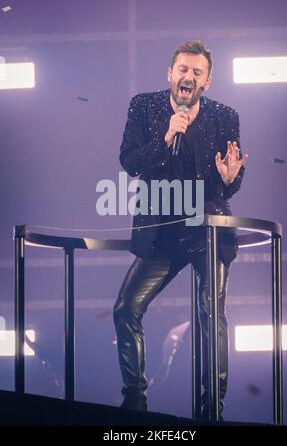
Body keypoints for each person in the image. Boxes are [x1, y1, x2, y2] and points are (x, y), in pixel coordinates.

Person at [113, 41, 248, 417]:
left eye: (197, 72)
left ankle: (211, 411)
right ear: (170, 74)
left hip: (207, 231)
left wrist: (231, 178)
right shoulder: (145, 107)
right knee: (126, 309)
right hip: (161, 230)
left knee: (211, 312)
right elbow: (129, 160)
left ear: (207, 81)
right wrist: (166, 138)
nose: (189, 76)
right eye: (183, 69)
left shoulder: (225, 116)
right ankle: (135, 401)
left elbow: (232, 175)